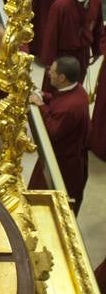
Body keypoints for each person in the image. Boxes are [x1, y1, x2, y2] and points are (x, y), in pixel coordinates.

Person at [29, 56, 90, 214]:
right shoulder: (76, 90)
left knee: (46, 205)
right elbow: (58, 99)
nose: (49, 73)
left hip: (62, 165)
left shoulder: (70, 107)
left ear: (62, 78)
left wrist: (41, 106)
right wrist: (44, 96)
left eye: (52, 71)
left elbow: (52, 131)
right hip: (65, 155)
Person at [40, 0, 104, 84]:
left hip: (83, 55)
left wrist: (96, 51)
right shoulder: (61, 5)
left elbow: (98, 28)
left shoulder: (96, 1)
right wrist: (50, 63)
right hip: (63, 57)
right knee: (56, 90)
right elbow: (51, 36)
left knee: (77, 87)